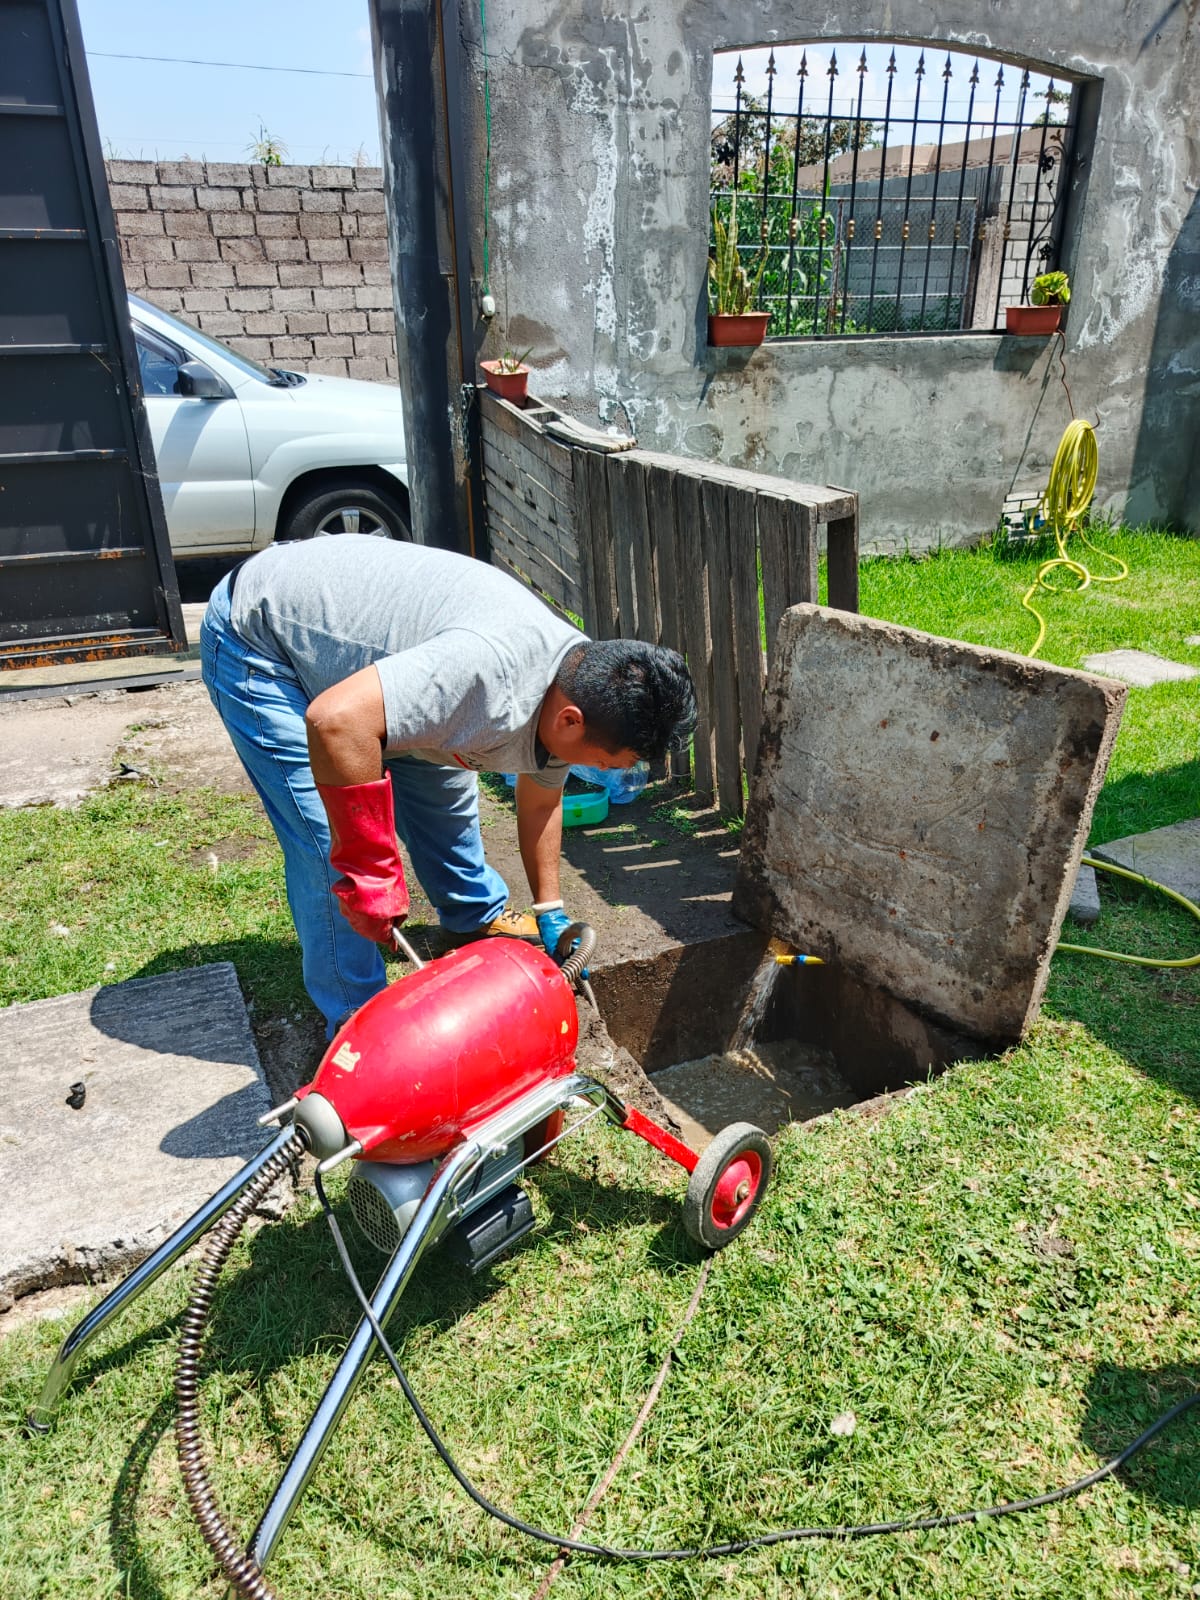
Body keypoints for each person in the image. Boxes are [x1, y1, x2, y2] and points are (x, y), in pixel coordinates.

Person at [199, 535, 696, 1036]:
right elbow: (337, 722)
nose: (605, 772)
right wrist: (370, 869)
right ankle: (359, 1023)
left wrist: (550, 910)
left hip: (386, 673)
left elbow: (541, 798)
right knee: (329, 849)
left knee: (443, 792)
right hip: (266, 639)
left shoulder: (582, 680)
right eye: (607, 763)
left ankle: (471, 916)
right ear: (569, 721)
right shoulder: (487, 682)